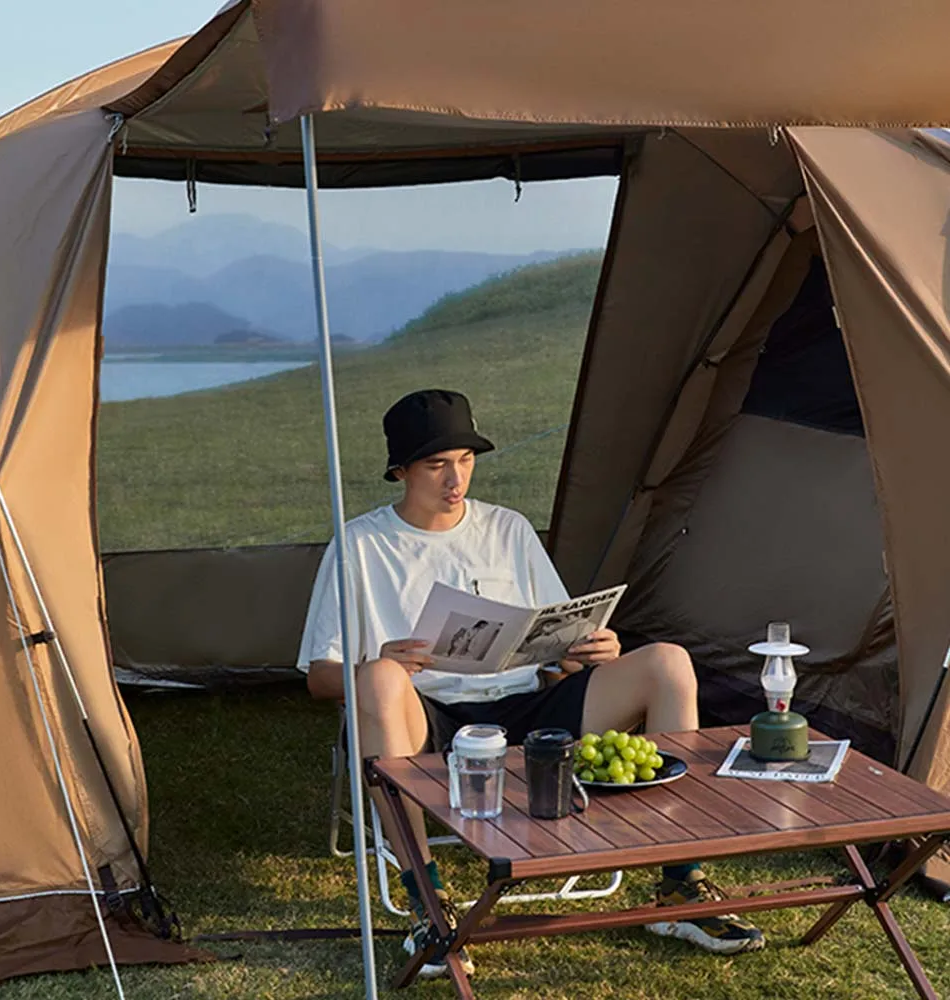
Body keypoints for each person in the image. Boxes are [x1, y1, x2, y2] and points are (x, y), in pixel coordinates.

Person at [298, 389, 764, 978]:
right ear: (401, 471)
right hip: (428, 719)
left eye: (466, 460)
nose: (456, 479)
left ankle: (680, 884)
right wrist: (380, 660)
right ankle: (427, 902)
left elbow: (556, 644)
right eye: (437, 464)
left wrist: (589, 649)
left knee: (667, 662)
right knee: (380, 678)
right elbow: (319, 678)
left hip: (526, 707)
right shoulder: (361, 546)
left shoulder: (507, 529)